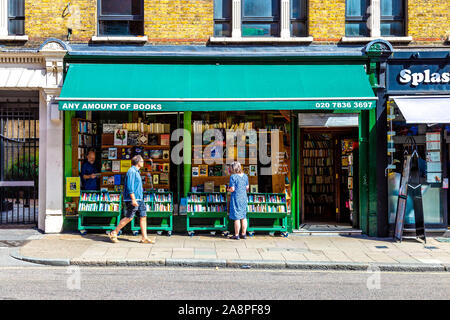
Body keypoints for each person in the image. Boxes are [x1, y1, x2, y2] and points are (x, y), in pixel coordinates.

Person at [109, 155, 154, 244]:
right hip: (132, 199)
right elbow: (130, 186)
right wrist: (133, 199)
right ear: (138, 162)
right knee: (129, 217)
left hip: (139, 199)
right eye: (142, 161)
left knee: (143, 216)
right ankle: (114, 232)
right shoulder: (131, 171)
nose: (143, 163)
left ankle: (144, 238)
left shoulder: (137, 171)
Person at [227, 161, 249, 240]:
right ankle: (244, 234)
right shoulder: (245, 176)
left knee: (237, 217)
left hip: (236, 198)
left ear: (233, 168)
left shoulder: (233, 177)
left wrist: (228, 189)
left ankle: (236, 235)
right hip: (243, 198)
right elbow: (247, 188)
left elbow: (232, 189)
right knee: (243, 216)